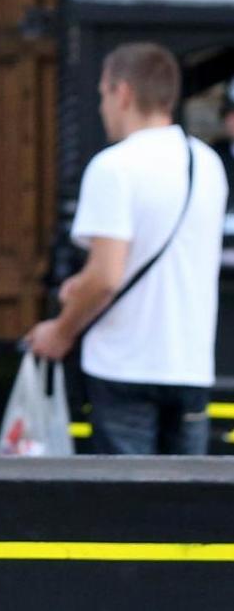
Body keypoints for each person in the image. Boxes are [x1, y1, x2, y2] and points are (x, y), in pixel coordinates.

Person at [26, 43, 228, 455]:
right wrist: (85, 283)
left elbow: (106, 276)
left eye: (102, 94)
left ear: (122, 93)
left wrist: (60, 332)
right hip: (189, 363)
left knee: (128, 510)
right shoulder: (207, 164)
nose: (102, 108)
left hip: (124, 364)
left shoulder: (113, 167)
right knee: (186, 508)